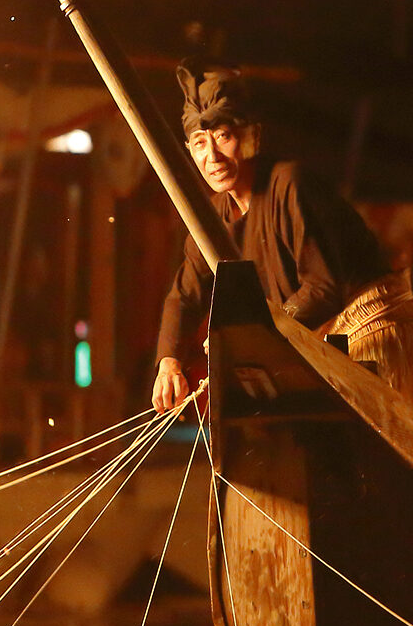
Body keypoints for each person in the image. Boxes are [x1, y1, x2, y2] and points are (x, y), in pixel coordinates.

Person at [152, 57, 413, 412]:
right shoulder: (212, 216)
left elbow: (322, 288)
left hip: (368, 341)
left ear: (248, 137)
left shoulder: (289, 184)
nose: (211, 155)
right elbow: (184, 296)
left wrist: (248, 336)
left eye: (223, 137)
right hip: (315, 351)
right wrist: (170, 362)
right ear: (189, 151)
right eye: (199, 143)